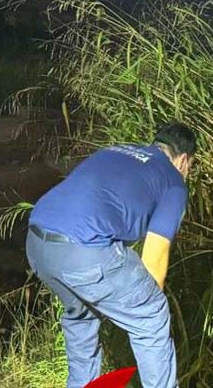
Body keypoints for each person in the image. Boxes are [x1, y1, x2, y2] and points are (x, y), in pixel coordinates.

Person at [26, 122, 196, 388]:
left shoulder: (113, 151)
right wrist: (143, 304)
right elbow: (155, 258)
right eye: (191, 167)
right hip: (84, 249)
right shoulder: (173, 182)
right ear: (184, 160)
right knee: (151, 314)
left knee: (81, 314)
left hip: (37, 241)